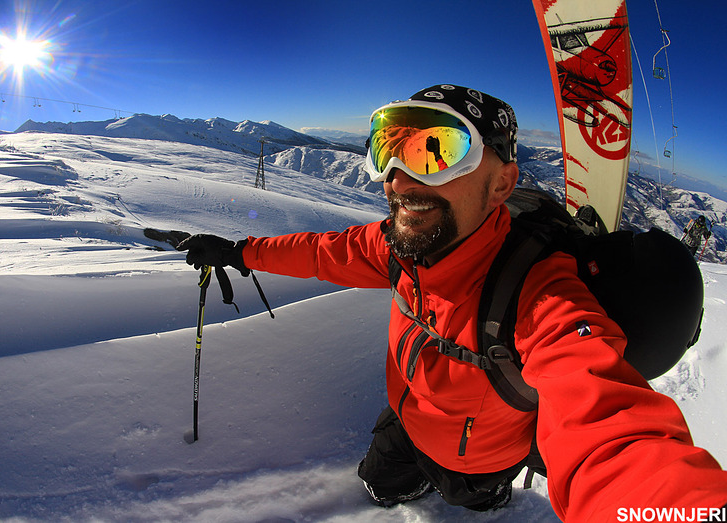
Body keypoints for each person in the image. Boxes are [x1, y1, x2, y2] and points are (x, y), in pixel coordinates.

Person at [177, 84, 727, 520]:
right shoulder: (401, 245)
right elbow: (325, 252)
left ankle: (489, 498)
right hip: (408, 421)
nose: (400, 179)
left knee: (473, 499)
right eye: (390, 150)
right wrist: (241, 251)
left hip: (480, 456)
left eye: (439, 151)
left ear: (501, 184)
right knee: (378, 484)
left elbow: (612, 434)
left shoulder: (541, 294)